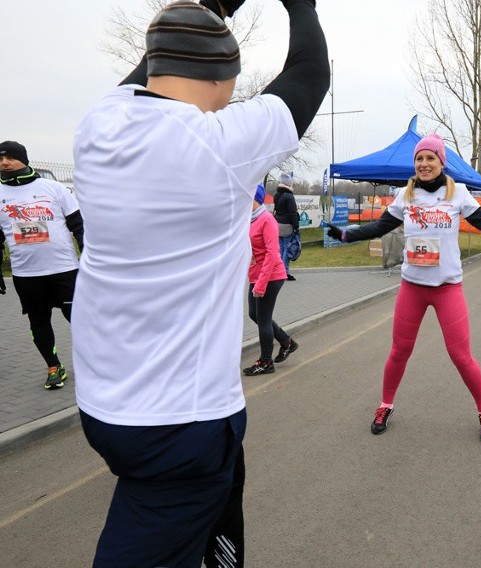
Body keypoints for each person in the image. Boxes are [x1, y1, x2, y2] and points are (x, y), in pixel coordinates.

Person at [71, 1, 329, 566]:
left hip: (105, 404)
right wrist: (301, 4)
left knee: (215, 519)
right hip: (178, 423)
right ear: (225, 78)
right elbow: (310, 73)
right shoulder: (220, 146)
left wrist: (213, 9)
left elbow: (153, 67)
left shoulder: (98, 126)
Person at [326, 133, 481, 444]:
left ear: (441, 162)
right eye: (419, 159)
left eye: (430, 158)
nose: (424, 164)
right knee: (399, 352)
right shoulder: (405, 196)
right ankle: (385, 405)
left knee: (461, 356)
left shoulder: (458, 193)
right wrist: (345, 235)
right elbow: (379, 227)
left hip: (447, 288)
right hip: (412, 287)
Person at [0, 140, 84, 390]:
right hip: (27, 274)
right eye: (0, 159)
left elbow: (78, 226)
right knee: (38, 321)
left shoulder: (54, 188)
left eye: (9, 157)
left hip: (64, 270)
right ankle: (54, 366)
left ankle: (100, 364)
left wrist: (91, 259)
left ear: (24, 159)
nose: (4, 162)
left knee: (81, 320)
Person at [245, 185, 299, 376]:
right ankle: (287, 342)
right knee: (254, 314)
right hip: (256, 275)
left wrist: (260, 283)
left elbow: (271, 253)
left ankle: (266, 361)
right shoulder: (249, 220)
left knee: (263, 319)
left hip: (271, 276)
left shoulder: (266, 219)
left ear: (255, 199)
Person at [273, 172, 299, 280]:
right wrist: (296, 226)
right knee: (287, 250)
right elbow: (292, 213)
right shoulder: (289, 196)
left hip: (277, 224)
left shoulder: (276, 195)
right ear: (289, 184)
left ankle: (278, 271)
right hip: (287, 225)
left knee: (280, 249)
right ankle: (285, 272)